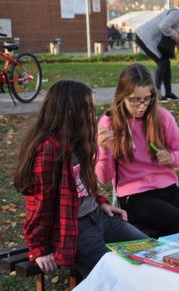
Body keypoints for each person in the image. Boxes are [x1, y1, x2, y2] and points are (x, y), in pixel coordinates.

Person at [13, 80, 148, 276]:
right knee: (117, 276)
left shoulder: (76, 139)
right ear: (71, 112)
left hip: (99, 217)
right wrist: (39, 248)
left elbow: (83, 183)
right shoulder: (48, 150)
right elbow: (41, 203)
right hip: (76, 230)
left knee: (153, 253)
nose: (94, 115)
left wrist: (100, 202)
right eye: (89, 109)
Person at [95, 64, 179, 235]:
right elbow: (103, 178)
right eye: (134, 100)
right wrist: (104, 150)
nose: (141, 106)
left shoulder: (161, 117)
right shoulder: (109, 123)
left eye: (147, 99)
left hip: (168, 190)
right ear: (122, 96)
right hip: (135, 198)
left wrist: (171, 157)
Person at [135, 0, 179, 102]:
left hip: (149, 38)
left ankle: (168, 93)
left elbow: (178, 30)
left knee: (166, 62)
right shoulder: (177, 14)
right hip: (144, 37)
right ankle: (156, 93)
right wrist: (177, 38)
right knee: (163, 62)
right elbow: (163, 26)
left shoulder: (178, 14)